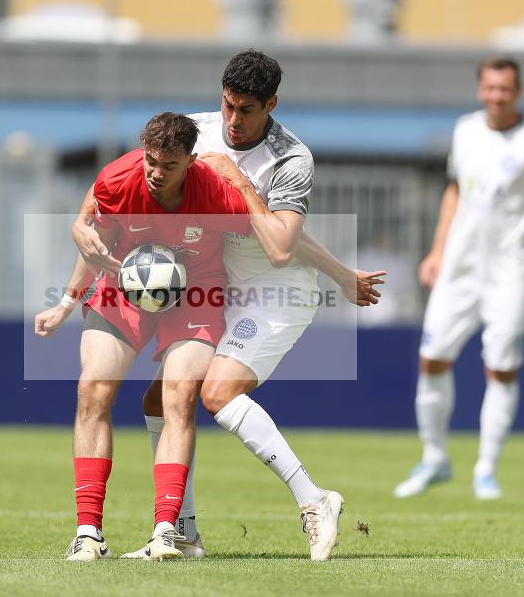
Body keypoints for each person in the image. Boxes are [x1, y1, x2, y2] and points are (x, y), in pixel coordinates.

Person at [72, 50, 386, 561]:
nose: (233, 121)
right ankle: (184, 535)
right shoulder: (196, 131)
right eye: (227, 105)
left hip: (274, 291)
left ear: (272, 105)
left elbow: (284, 248)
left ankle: (315, 501)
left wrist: (241, 183)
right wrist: (79, 228)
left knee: (216, 393)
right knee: (160, 402)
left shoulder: (290, 159)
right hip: (216, 284)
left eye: (246, 111)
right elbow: (113, 184)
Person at [35, 112, 254, 561]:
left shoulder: (217, 195)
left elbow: (266, 239)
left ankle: (165, 532)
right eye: (151, 161)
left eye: (168, 166)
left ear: (191, 161)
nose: (155, 174)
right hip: (122, 287)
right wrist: (66, 302)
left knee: (178, 398)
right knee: (92, 389)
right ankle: (88, 533)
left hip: (196, 294)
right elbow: (90, 238)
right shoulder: (117, 178)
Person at [393, 56, 524, 500]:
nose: (498, 96)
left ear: (518, 91)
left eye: (506, 89)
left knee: (502, 369)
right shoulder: (464, 130)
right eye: (491, 88)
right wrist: (436, 251)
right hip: (458, 268)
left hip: (509, 271)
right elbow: (454, 191)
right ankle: (434, 459)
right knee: (432, 359)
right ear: (481, 90)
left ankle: (486, 469)